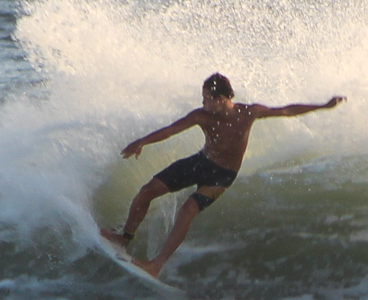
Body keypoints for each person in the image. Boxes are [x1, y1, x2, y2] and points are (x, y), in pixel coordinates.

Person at [102, 73, 345, 278]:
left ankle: (156, 265)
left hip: (222, 175)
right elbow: (170, 130)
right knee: (147, 191)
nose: (203, 102)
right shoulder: (201, 116)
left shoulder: (248, 113)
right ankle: (125, 237)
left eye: (206, 98)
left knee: (187, 210)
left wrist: (323, 106)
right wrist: (142, 142)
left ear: (221, 99)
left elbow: (286, 110)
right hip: (201, 162)